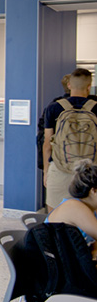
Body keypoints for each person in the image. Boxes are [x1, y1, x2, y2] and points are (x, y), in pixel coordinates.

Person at [43, 68, 97, 212]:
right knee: (91, 217)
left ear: (69, 85)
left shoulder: (54, 108)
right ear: (89, 86)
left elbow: (47, 144)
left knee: (55, 216)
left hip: (60, 169)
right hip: (91, 172)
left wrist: (46, 172)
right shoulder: (96, 108)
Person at [46, 161, 97, 258]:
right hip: (57, 266)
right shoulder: (75, 207)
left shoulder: (90, 208)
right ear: (94, 190)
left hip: (70, 261)